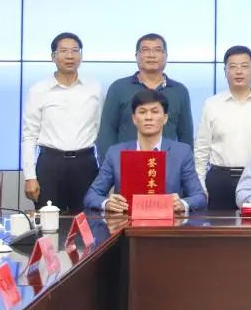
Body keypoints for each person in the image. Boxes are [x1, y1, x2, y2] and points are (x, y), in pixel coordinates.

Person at [84, 90, 206, 214]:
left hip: (168, 222)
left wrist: (182, 204)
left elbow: (199, 197)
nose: (148, 117)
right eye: (142, 112)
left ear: (165, 118)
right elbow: (92, 195)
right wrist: (107, 203)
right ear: (134, 119)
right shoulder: (115, 153)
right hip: (126, 222)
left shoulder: (181, 153)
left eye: (155, 112)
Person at [21, 32, 102, 213]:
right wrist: (29, 176)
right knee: (48, 221)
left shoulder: (94, 89)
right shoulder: (38, 90)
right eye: (64, 51)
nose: (70, 56)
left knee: (88, 220)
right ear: (53, 57)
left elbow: (100, 131)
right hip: (50, 163)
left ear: (81, 56)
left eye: (75, 50)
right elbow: (29, 136)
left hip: (85, 163)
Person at [194, 46, 251, 210]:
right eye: (232, 66)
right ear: (225, 71)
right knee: (217, 224)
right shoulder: (211, 104)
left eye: (244, 66)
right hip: (219, 180)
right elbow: (201, 149)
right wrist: (200, 185)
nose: (238, 71)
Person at [96, 33, 194, 159]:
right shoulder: (118, 88)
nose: (151, 55)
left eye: (157, 50)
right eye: (145, 50)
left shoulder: (179, 91)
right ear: (136, 56)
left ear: (166, 56)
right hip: (127, 164)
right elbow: (107, 131)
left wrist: (185, 165)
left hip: (169, 164)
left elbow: (185, 135)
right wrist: (111, 165)